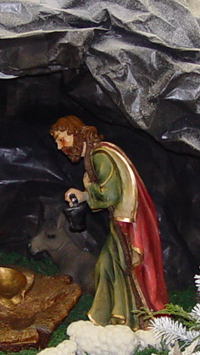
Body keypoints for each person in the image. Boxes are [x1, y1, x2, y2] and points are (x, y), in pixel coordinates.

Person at [50, 115, 167, 329]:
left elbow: (110, 195)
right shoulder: (99, 153)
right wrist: (84, 195)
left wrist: (88, 189)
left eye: (61, 139)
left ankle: (135, 319)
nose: (60, 147)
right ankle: (116, 317)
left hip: (127, 223)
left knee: (122, 267)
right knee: (107, 265)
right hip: (123, 220)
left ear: (76, 133)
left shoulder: (100, 155)